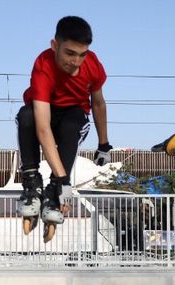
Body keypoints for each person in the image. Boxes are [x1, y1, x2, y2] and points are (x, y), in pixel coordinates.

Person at [16, 16, 113, 226]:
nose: (76, 62)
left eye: (82, 55)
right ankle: (32, 183)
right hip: (44, 116)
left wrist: (103, 145)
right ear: (55, 46)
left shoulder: (93, 64)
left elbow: (98, 104)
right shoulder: (44, 64)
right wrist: (64, 180)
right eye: (70, 53)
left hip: (73, 116)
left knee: (71, 124)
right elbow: (42, 128)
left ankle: (54, 190)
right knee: (25, 115)